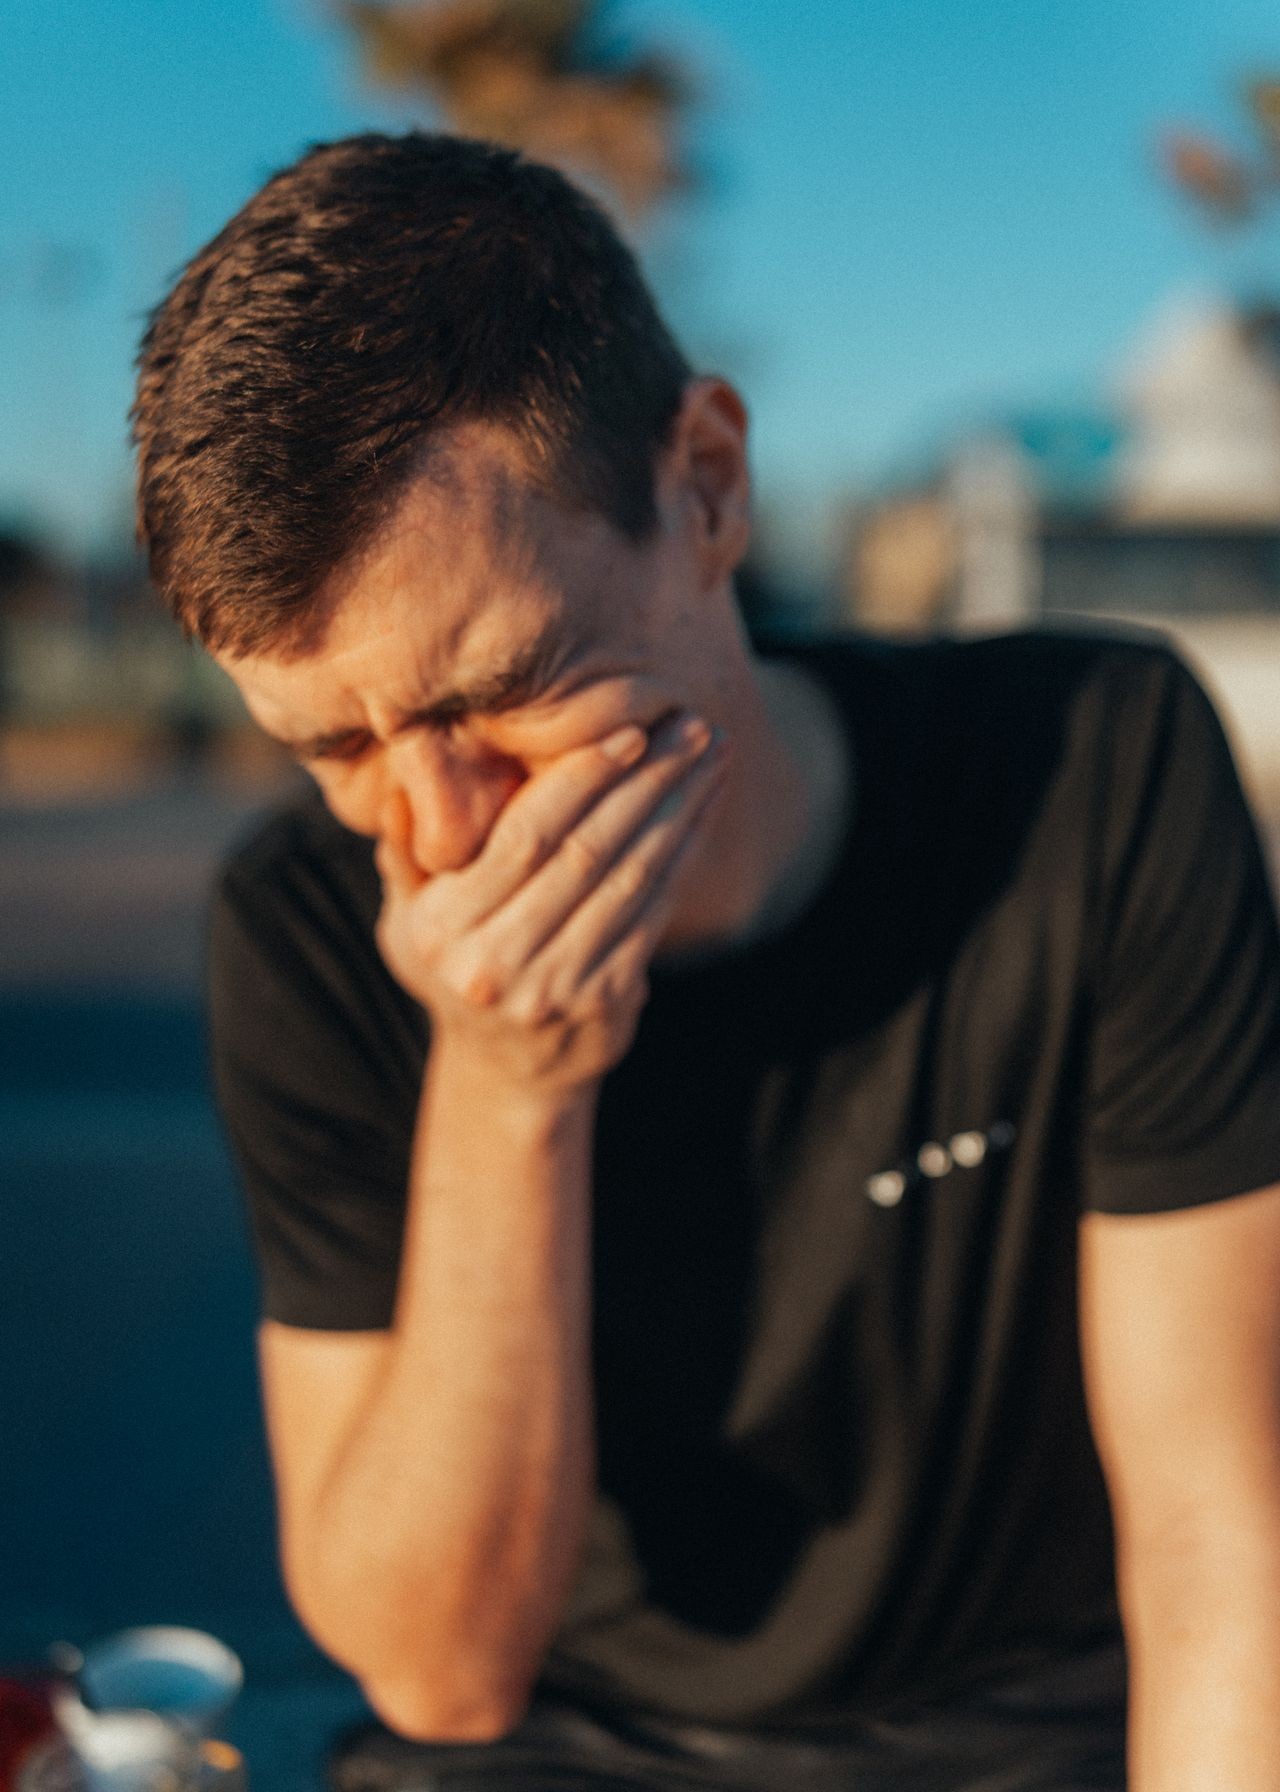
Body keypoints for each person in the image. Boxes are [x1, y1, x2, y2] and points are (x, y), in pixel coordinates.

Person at [131, 132, 1280, 1792]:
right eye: (333, 748)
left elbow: (1219, 1540)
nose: (438, 830)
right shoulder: (305, 931)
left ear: (710, 486)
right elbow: (442, 1674)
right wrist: (508, 1087)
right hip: (569, 1747)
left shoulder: (1092, 768)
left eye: (502, 686)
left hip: (1036, 1726)